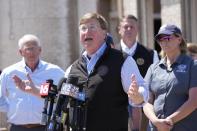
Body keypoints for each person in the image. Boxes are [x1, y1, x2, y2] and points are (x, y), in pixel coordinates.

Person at [64, 12, 148, 131]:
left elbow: (141, 89)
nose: (87, 32)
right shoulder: (73, 68)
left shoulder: (122, 60)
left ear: (104, 33)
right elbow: (63, 97)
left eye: (92, 27)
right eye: (83, 28)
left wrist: (137, 95)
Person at [0, 34, 65, 131]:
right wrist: (12, 109)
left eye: (34, 48)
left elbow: (64, 97)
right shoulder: (9, 73)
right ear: (21, 52)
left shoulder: (55, 72)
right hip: (17, 127)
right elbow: (1, 97)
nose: (32, 52)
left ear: (40, 50)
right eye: (28, 49)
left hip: (46, 127)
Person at [142, 24, 197, 131]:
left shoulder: (193, 66)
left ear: (179, 39)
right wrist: (156, 122)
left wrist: (168, 121)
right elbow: (147, 102)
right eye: (160, 38)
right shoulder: (153, 68)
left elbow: (194, 101)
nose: (164, 41)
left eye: (167, 37)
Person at [117, 14, 159, 131]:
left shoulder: (151, 54)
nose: (129, 29)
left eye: (132, 27)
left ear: (138, 30)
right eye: (125, 27)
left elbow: (156, 83)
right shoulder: (111, 53)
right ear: (119, 30)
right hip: (118, 109)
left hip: (145, 109)